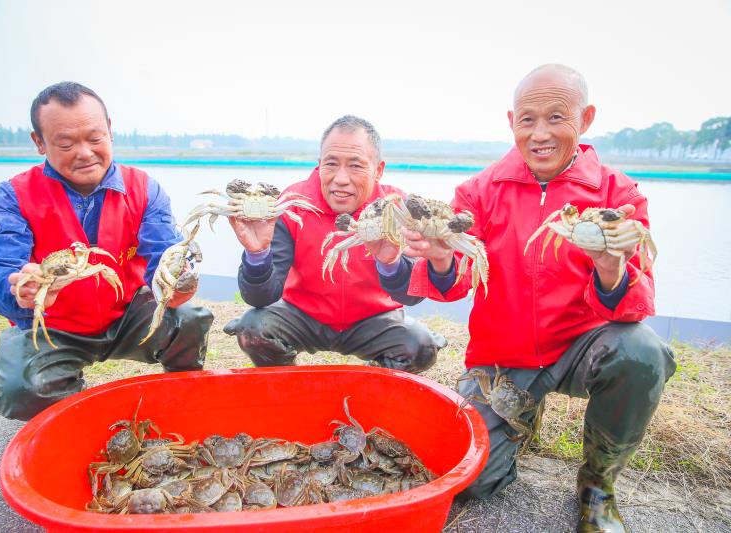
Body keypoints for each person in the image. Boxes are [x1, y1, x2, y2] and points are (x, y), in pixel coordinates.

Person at [379, 65, 675, 532]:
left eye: (557, 117)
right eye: (527, 120)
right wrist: (438, 258)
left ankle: (597, 483)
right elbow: (453, 282)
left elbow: (634, 303)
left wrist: (610, 265)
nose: (540, 134)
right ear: (511, 121)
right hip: (503, 357)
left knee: (642, 352)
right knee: (472, 481)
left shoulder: (617, 196)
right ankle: (517, 421)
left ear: (586, 118)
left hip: (581, 344)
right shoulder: (478, 191)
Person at [0, 82, 214, 421]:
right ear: (39, 142)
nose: (84, 152)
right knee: (21, 386)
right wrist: (18, 291)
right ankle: (66, 415)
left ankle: (182, 400)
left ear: (110, 131)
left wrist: (176, 283)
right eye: (66, 143)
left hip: (128, 313)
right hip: (53, 323)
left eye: (95, 138)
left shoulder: (144, 189)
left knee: (188, 322)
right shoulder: (14, 196)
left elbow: (164, 253)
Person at [223, 115, 445, 372]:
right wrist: (257, 254)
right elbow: (261, 297)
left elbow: (411, 296)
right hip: (303, 315)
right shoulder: (292, 205)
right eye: (331, 164)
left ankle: (369, 384)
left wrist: (391, 264)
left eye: (355, 166)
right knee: (253, 328)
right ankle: (289, 385)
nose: (341, 178)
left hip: (374, 319)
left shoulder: (397, 209)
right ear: (319, 165)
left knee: (420, 346)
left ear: (379, 170)